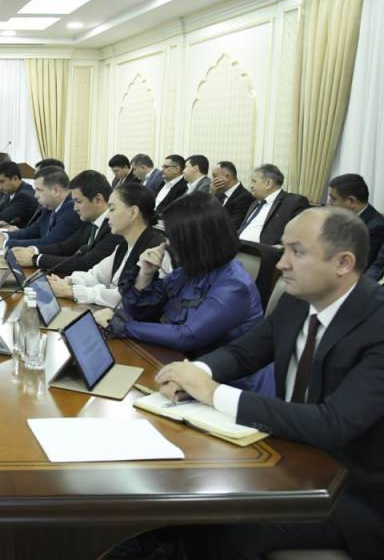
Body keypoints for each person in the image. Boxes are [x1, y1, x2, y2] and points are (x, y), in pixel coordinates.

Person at [156, 207, 384, 559]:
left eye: (297, 252)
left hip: (352, 491)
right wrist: (194, 372)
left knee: (224, 524)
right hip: (287, 457)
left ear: (343, 262)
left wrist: (214, 393)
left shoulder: (377, 324)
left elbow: (332, 423)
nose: (281, 263)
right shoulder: (297, 301)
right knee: (185, 492)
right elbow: (244, 353)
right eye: (284, 249)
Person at [104, 192, 270, 393]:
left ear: (193, 240)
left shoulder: (234, 285)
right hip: (177, 366)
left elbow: (187, 335)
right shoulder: (190, 271)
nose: (168, 244)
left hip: (221, 386)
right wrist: (145, 275)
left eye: (173, 237)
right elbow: (141, 311)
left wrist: (124, 326)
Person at [48, 183, 167, 309]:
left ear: (133, 212)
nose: (107, 216)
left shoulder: (155, 249)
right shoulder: (124, 245)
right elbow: (97, 275)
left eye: (112, 209)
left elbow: (122, 297)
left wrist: (72, 291)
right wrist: (67, 281)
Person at [11, 170, 118, 276]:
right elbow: (64, 248)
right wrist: (33, 250)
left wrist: (36, 259)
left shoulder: (114, 228)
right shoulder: (91, 222)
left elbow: (86, 264)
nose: (75, 208)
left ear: (98, 200)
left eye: (78, 202)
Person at [0, 166, 84, 250]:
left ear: (55, 191)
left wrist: (5, 243)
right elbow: (33, 231)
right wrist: (5, 236)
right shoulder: (49, 206)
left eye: (39, 190)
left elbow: (49, 243)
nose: (35, 195)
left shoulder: (72, 210)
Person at [238, 163, 309, 245]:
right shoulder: (255, 203)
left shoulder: (293, 202)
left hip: (262, 250)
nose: (250, 186)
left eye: (254, 181)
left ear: (268, 184)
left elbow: (301, 235)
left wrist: (282, 246)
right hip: (238, 247)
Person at [327, 173, 384, 271]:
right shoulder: (343, 217)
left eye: (333, 198)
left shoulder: (376, 227)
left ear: (351, 201)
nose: (329, 202)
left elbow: (359, 267)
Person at [211, 160, 254, 231]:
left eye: (214, 176)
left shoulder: (244, 197)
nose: (212, 180)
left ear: (227, 176)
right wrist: (211, 194)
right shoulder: (217, 194)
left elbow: (233, 226)